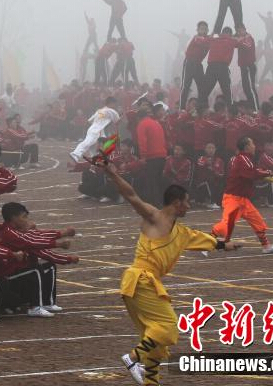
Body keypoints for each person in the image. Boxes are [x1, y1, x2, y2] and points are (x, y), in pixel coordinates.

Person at [97, 157, 242, 386]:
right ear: (176, 202)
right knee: (167, 329)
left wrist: (226, 245)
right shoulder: (155, 217)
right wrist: (112, 173)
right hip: (141, 281)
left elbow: (202, 239)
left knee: (157, 341)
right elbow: (131, 195)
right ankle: (133, 357)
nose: (190, 206)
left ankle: (151, 383)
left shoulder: (181, 232)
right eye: (187, 202)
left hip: (142, 284)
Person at [211, 136, 273, 255]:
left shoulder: (246, 158)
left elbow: (251, 173)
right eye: (252, 143)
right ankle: (204, 243)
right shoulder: (243, 158)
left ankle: (266, 246)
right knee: (225, 225)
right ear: (246, 147)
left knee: (258, 221)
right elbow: (252, 174)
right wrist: (270, 173)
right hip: (233, 198)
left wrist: (267, 177)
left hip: (242, 199)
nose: (254, 146)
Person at [70, 96, 120, 163]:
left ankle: (95, 162)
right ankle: (76, 153)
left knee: (93, 149)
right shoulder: (111, 111)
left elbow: (89, 121)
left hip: (93, 129)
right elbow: (118, 121)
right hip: (98, 131)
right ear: (111, 103)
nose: (115, 106)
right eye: (115, 104)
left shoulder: (99, 111)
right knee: (88, 143)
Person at [201, 27, 237, 103]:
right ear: (230, 34)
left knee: (204, 91)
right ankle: (232, 111)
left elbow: (205, 40)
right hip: (223, 67)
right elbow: (239, 42)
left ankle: (199, 110)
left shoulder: (214, 39)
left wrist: (215, 35)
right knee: (227, 92)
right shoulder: (232, 40)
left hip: (211, 67)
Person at [180, 21, 210, 109]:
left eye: (205, 29)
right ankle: (182, 108)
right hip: (190, 63)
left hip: (198, 64)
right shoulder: (197, 38)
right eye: (201, 29)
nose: (203, 31)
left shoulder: (208, 39)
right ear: (197, 30)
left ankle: (203, 108)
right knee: (186, 86)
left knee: (202, 87)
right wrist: (212, 38)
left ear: (207, 30)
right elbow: (203, 42)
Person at [236, 23, 259, 112]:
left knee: (250, 88)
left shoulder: (248, 38)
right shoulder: (241, 39)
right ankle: (252, 108)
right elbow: (234, 44)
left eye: (241, 30)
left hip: (249, 66)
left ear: (245, 29)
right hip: (243, 67)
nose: (239, 32)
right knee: (246, 89)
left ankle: (256, 110)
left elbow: (248, 46)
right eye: (238, 31)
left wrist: (238, 40)